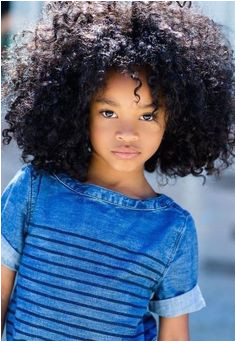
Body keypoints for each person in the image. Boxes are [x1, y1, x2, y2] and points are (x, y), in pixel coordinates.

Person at [1, 1, 234, 341]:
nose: (128, 132)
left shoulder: (174, 230)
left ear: (175, 120)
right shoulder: (34, 190)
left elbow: (175, 335)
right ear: (80, 111)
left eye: (147, 115)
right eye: (109, 113)